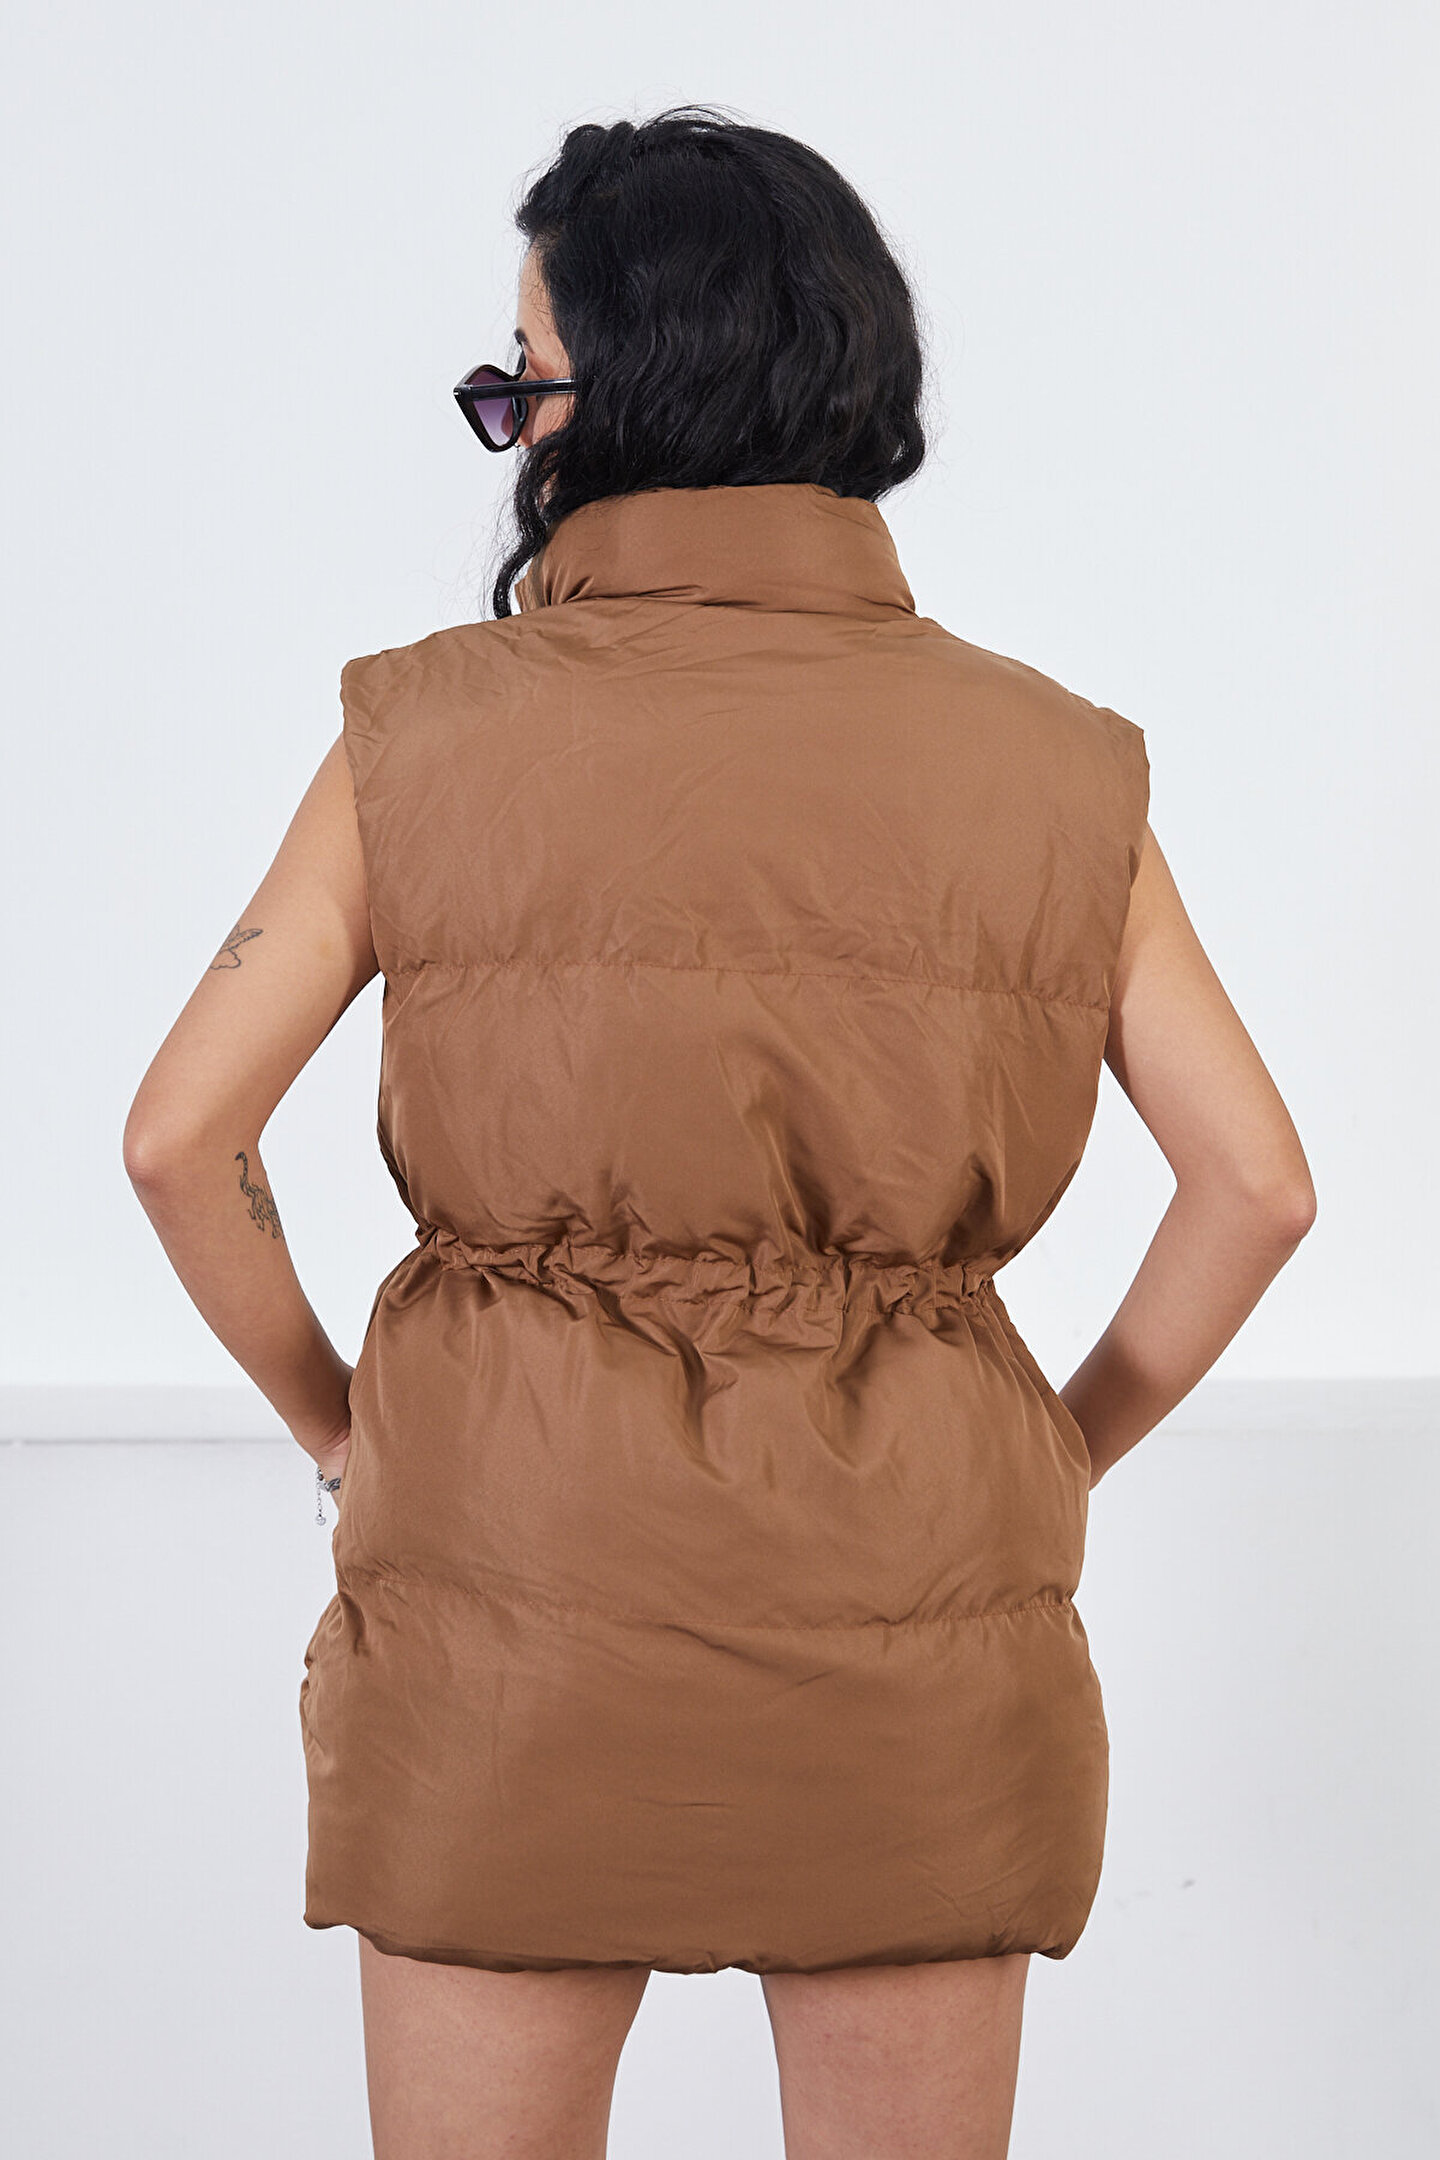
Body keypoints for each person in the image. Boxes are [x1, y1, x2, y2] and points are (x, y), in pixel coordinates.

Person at [123, 106, 1316, 2160]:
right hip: (919, 1622)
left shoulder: (421, 734)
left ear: (627, 393)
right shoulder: (1055, 765)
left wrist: (343, 1429)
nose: (511, 432)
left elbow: (179, 1138)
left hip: (502, 1613)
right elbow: (1259, 1185)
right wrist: (1051, 1453)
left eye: (520, 380)